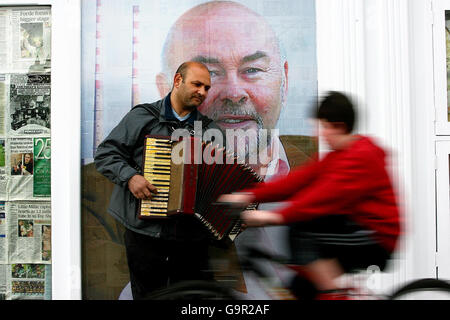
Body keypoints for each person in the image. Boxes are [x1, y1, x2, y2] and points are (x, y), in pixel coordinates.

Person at [154, 1, 316, 298]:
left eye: (252, 70)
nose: (233, 93)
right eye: (209, 75)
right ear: (166, 90)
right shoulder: (117, 195)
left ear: (285, 81)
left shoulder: (320, 172)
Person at [220, 91, 402, 299]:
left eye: (323, 127)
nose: (319, 134)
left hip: (375, 235)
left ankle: (332, 295)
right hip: (356, 226)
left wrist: (272, 216)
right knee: (302, 279)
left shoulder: (360, 157)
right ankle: (318, 288)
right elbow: (298, 181)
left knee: (304, 234)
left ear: (339, 126)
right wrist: (248, 195)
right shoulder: (337, 156)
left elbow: (320, 198)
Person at [94, 61, 223, 300]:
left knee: (192, 299)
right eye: (197, 84)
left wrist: (231, 216)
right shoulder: (143, 116)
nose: (202, 92)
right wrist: (131, 177)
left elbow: (220, 182)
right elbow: (106, 154)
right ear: (177, 81)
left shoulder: (209, 130)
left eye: (206, 87)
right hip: (144, 232)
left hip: (189, 235)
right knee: (148, 296)